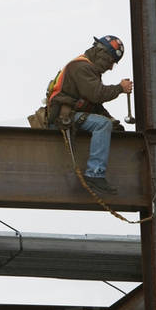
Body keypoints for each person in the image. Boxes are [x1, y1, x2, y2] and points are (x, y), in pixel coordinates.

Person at [45, 35, 133, 195]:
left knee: (106, 122)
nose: (111, 68)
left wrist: (112, 121)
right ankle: (95, 174)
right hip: (63, 118)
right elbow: (97, 95)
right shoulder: (81, 67)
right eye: (111, 62)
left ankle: (95, 172)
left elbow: (93, 105)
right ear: (103, 55)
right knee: (102, 124)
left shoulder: (88, 69)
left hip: (71, 115)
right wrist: (120, 88)